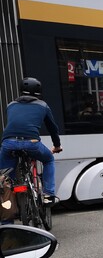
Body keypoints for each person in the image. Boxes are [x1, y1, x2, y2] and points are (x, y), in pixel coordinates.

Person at [0, 77, 63, 205]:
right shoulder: (43, 105)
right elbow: (53, 128)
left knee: (5, 176)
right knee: (49, 159)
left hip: (8, 143)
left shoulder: (10, 105)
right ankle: (48, 195)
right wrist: (57, 146)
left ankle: (9, 205)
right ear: (38, 92)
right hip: (32, 143)